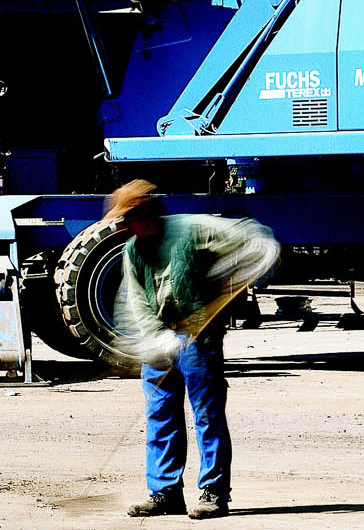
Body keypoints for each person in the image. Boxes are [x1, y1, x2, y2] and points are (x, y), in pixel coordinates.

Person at [108, 179, 277, 520]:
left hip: (199, 338)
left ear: (147, 213)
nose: (128, 228)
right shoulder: (133, 250)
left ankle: (214, 492)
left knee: (207, 416)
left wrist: (236, 271)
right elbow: (138, 301)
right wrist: (156, 338)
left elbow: (255, 238)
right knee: (160, 417)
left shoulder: (191, 229)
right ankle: (164, 493)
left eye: (131, 220)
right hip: (161, 343)